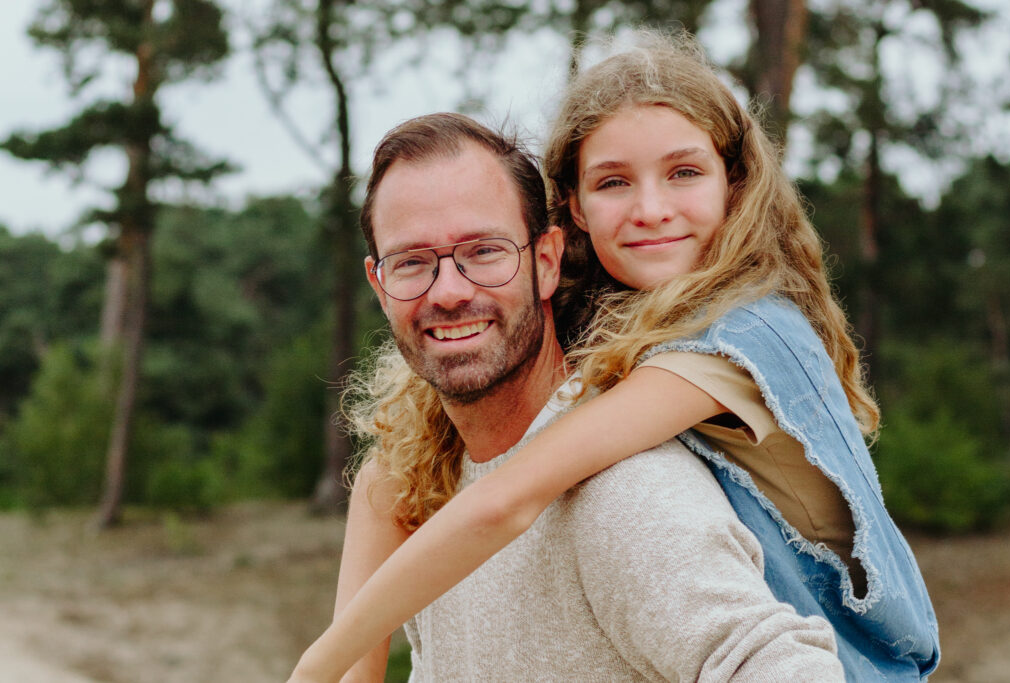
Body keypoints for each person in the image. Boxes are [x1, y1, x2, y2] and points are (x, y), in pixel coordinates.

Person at [291, 31, 941, 680]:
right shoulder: (614, 331)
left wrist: (319, 660)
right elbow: (390, 474)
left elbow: (510, 496)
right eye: (614, 182)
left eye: (684, 171)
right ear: (573, 208)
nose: (651, 209)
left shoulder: (741, 339)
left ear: (735, 184)